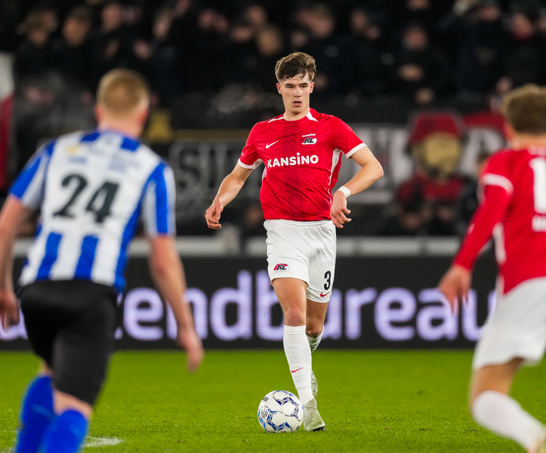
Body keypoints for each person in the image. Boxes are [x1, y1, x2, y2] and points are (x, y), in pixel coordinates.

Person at [0, 69, 203, 453]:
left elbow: (6, 224)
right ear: (143, 114)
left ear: (97, 110)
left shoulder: (56, 151)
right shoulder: (151, 168)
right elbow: (163, 258)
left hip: (36, 286)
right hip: (90, 293)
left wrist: (3, 287)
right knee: (75, 407)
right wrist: (186, 326)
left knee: (50, 372)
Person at [205, 51, 383, 431]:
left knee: (314, 327)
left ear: (312, 87)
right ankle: (308, 404)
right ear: (279, 89)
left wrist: (343, 192)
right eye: (291, 86)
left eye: (303, 85)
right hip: (282, 231)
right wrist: (220, 199)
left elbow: (374, 167)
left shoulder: (331, 127)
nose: (298, 93)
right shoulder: (262, 132)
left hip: (321, 233)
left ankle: (307, 365)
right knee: (295, 315)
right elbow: (238, 176)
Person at [438, 84, 546, 453]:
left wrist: (462, 264)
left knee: (485, 394)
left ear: (507, 127)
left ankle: (535, 437)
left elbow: (491, 210)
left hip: (531, 281)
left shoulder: (506, 162)